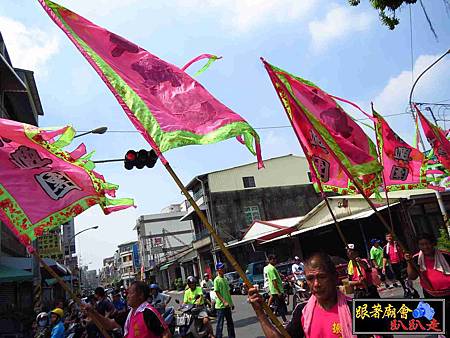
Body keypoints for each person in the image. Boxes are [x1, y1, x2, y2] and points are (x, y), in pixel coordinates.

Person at [249, 252, 355, 338]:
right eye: (310, 279)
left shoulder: (358, 309)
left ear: (335, 278)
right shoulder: (302, 311)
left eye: (322, 277)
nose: (316, 284)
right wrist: (260, 313)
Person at [81, 282, 171, 337]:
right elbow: (109, 324)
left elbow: (166, 334)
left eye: (130, 293)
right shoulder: (129, 314)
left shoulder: (148, 312)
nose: (127, 296)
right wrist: (93, 312)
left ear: (141, 296)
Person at [405, 232, 450, 311]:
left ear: (433, 243)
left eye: (428, 243)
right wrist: (409, 262)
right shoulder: (416, 259)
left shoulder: (445, 255)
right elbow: (412, 277)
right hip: (431, 296)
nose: (425, 247)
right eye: (422, 244)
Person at [382, 233, 418, 297]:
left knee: (406, 277)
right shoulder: (385, 248)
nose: (389, 238)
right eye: (387, 237)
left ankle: (411, 289)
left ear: (393, 237)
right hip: (394, 265)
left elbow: (404, 251)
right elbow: (385, 258)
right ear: (386, 238)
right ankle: (406, 290)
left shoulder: (398, 244)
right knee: (400, 278)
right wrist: (384, 267)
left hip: (402, 263)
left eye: (390, 236)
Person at [213, 262, 235, 338]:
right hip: (220, 306)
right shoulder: (216, 280)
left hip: (227, 305)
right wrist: (224, 301)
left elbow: (228, 293)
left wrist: (231, 303)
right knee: (220, 325)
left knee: (230, 323)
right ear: (218, 270)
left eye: (223, 267)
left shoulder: (225, 279)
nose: (223, 269)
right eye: (221, 268)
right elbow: (217, 292)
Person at [263, 254, 287, 323]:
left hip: (275, 289)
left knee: (280, 305)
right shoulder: (271, 268)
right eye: (273, 259)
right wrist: (278, 291)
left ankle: (279, 318)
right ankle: (284, 320)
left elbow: (277, 276)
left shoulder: (271, 268)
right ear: (270, 260)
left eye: (275, 259)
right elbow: (274, 281)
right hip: (275, 290)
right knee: (281, 305)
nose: (275, 260)